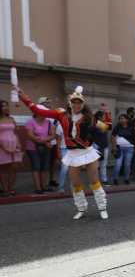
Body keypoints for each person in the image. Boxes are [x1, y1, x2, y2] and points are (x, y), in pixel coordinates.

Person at [19, 86, 108, 219]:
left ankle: (102, 207)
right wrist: (24, 98)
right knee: (76, 183)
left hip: (88, 152)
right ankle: (81, 208)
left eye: (79, 102)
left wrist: (106, 113)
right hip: (73, 154)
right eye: (74, 102)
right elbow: (38, 111)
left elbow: (106, 127)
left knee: (94, 180)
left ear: (83, 104)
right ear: (70, 103)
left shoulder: (89, 117)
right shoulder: (61, 114)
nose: (76, 105)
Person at [25, 110, 54, 194]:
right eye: (43, 112)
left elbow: (53, 134)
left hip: (46, 148)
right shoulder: (30, 122)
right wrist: (45, 141)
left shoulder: (48, 122)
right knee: (36, 167)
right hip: (33, 148)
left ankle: (44, 186)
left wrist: (45, 140)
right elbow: (31, 136)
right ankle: (38, 188)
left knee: (45, 167)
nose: (45, 114)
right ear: (37, 113)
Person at [0, 100, 23, 196]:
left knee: (14, 168)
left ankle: (11, 188)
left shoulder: (12, 118)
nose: (5, 107)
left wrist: (19, 144)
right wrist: (4, 148)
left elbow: (15, 133)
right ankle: (5, 189)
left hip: (14, 146)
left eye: (7, 106)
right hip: (2, 146)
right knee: (3, 169)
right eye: (3, 106)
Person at [111, 114, 135, 185]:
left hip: (129, 148)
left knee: (127, 164)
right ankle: (115, 179)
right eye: (120, 118)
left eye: (123, 118)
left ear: (127, 120)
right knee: (117, 164)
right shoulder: (117, 128)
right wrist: (114, 147)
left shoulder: (131, 128)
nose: (121, 120)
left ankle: (126, 178)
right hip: (119, 148)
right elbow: (113, 137)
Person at [92, 107, 112, 185]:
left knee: (103, 164)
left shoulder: (100, 124)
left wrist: (107, 113)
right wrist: (107, 113)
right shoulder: (97, 124)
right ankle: (97, 180)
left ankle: (103, 180)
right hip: (97, 146)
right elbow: (109, 127)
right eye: (103, 116)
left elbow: (109, 127)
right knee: (97, 165)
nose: (105, 117)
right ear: (100, 117)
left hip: (104, 146)